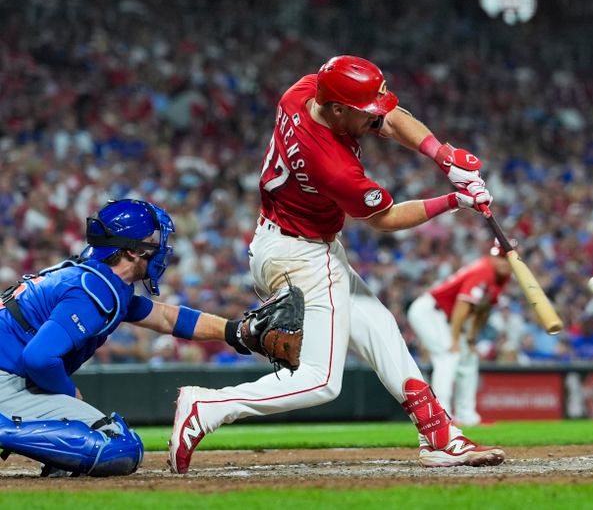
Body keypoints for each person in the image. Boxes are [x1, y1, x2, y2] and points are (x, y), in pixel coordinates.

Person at [169, 55, 504, 473]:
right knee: (321, 381)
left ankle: (438, 433)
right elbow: (385, 219)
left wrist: (444, 155)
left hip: (287, 241)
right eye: (365, 112)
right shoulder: (331, 164)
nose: (374, 118)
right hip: (302, 255)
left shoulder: (305, 91)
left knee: (381, 331)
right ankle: (208, 406)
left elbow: (391, 118)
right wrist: (455, 200)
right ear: (339, 109)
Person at [0, 199, 246, 477]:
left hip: (10, 376)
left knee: (87, 441)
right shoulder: (96, 288)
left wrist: (236, 331)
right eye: (150, 240)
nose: (159, 248)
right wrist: (69, 393)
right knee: (117, 445)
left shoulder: (96, 279)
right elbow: (39, 359)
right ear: (131, 251)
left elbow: (168, 318)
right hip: (5, 380)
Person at [408, 242, 512, 427]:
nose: (503, 262)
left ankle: (467, 416)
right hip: (430, 311)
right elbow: (462, 306)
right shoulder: (484, 270)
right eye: (499, 257)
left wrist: (471, 337)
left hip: (444, 317)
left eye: (506, 258)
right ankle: (443, 415)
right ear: (491, 257)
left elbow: (483, 309)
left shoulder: (500, 276)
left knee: (469, 358)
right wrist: (455, 339)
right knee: (448, 356)